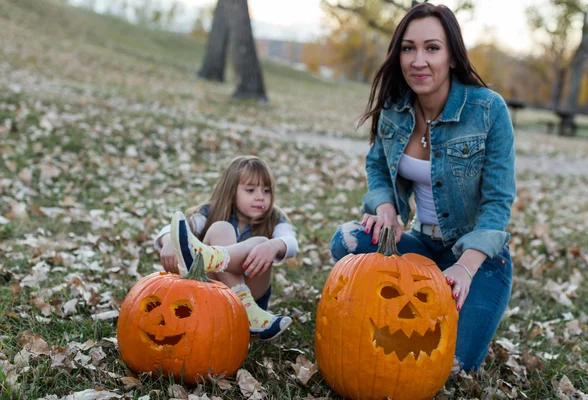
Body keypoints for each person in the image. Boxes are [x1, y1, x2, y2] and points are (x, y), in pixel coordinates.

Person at [329, 3, 515, 373]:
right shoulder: (395, 109)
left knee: (449, 367)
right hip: (420, 247)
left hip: (478, 261)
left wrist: (464, 267)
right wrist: (385, 209)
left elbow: (498, 203)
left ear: (452, 58)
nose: (418, 60)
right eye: (408, 48)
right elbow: (377, 165)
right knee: (349, 240)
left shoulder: (488, 110)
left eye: (432, 48)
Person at [155, 155, 298, 341]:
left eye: (266, 190)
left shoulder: (274, 218)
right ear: (231, 190)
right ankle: (243, 305)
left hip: (254, 292)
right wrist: (168, 241)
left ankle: (207, 258)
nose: (260, 197)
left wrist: (274, 245)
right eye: (250, 190)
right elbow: (177, 227)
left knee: (263, 242)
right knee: (221, 228)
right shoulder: (209, 213)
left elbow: (291, 241)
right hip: (210, 297)